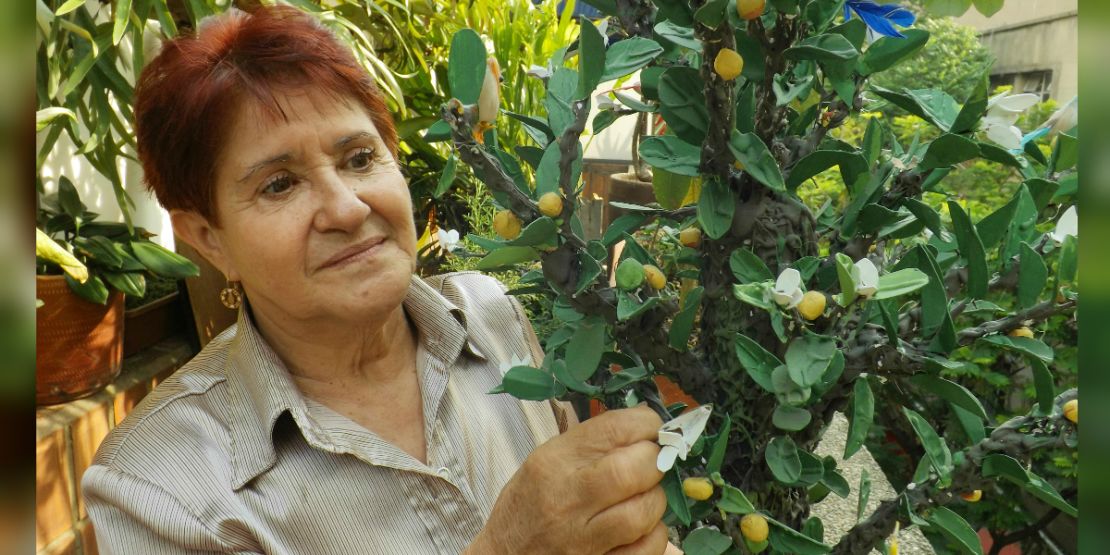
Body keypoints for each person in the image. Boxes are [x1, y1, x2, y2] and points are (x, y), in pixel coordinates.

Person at [82, 6, 681, 554]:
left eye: (360, 159)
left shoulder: (491, 315)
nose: (346, 208)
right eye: (279, 184)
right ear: (208, 238)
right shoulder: (159, 488)